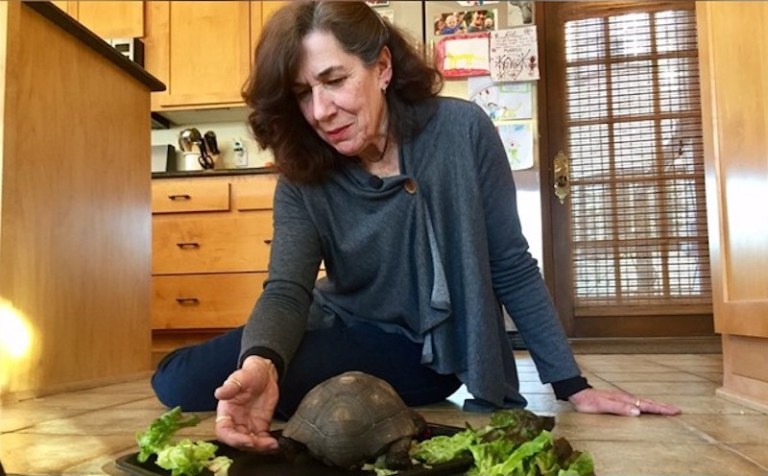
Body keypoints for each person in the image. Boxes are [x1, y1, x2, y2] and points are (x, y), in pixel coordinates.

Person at [149, 1, 681, 453]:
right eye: (302, 93)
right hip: (331, 317)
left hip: (419, 349)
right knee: (179, 379)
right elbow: (287, 291)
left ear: (381, 66)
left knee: (265, 375)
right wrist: (262, 358)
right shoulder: (302, 172)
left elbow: (510, 264)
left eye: (335, 81)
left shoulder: (461, 130)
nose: (320, 110)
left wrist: (570, 383)